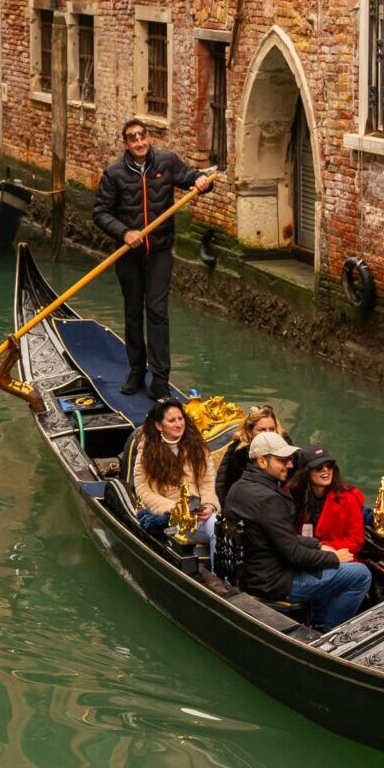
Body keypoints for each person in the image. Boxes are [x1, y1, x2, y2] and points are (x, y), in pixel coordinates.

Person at [92, 118, 215, 396]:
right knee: (133, 313)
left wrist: (201, 181)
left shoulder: (166, 162)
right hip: (129, 254)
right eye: (132, 138)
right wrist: (124, 233)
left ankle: (160, 379)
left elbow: (190, 177)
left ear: (148, 138)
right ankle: (136, 372)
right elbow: (100, 212)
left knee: (158, 314)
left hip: (159, 252)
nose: (138, 142)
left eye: (142, 136)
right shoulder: (114, 173)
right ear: (125, 143)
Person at [225, 432, 371, 630]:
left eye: (289, 460)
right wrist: (335, 558)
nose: (290, 465)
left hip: (254, 574)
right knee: (361, 575)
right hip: (277, 582)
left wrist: (320, 546)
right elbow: (293, 554)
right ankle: (328, 632)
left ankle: (319, 621)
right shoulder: (269, 498)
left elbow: (284, 538)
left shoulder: (238, 488)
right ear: (261, 461)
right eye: (282, 461)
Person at [131, 399, 217, 554]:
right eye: (172, 420)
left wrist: (209, 505)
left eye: (180, 418)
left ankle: (218, 576)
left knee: (219, 528)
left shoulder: (197, 445)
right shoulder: (146, 451)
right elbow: (143, 490)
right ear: (159, 425)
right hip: (168, 517)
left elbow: (207, 482)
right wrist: (175, 510)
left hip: (198, 512)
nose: (179, 424)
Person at [291, 445, 367, 559]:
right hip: (303, 557)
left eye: (329, 465)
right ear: (305, 472)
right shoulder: (293, 495)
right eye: (318, 467)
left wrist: (322, 548)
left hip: (339, 558)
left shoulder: (349, 497)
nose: (325, 469)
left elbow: (355, 541)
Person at [213, 404, 280, 501]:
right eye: (261, 430)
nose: (268, 434)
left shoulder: (284, 448)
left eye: (272, 429)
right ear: (249, 431)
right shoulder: (237, 452)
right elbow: (223, 486)